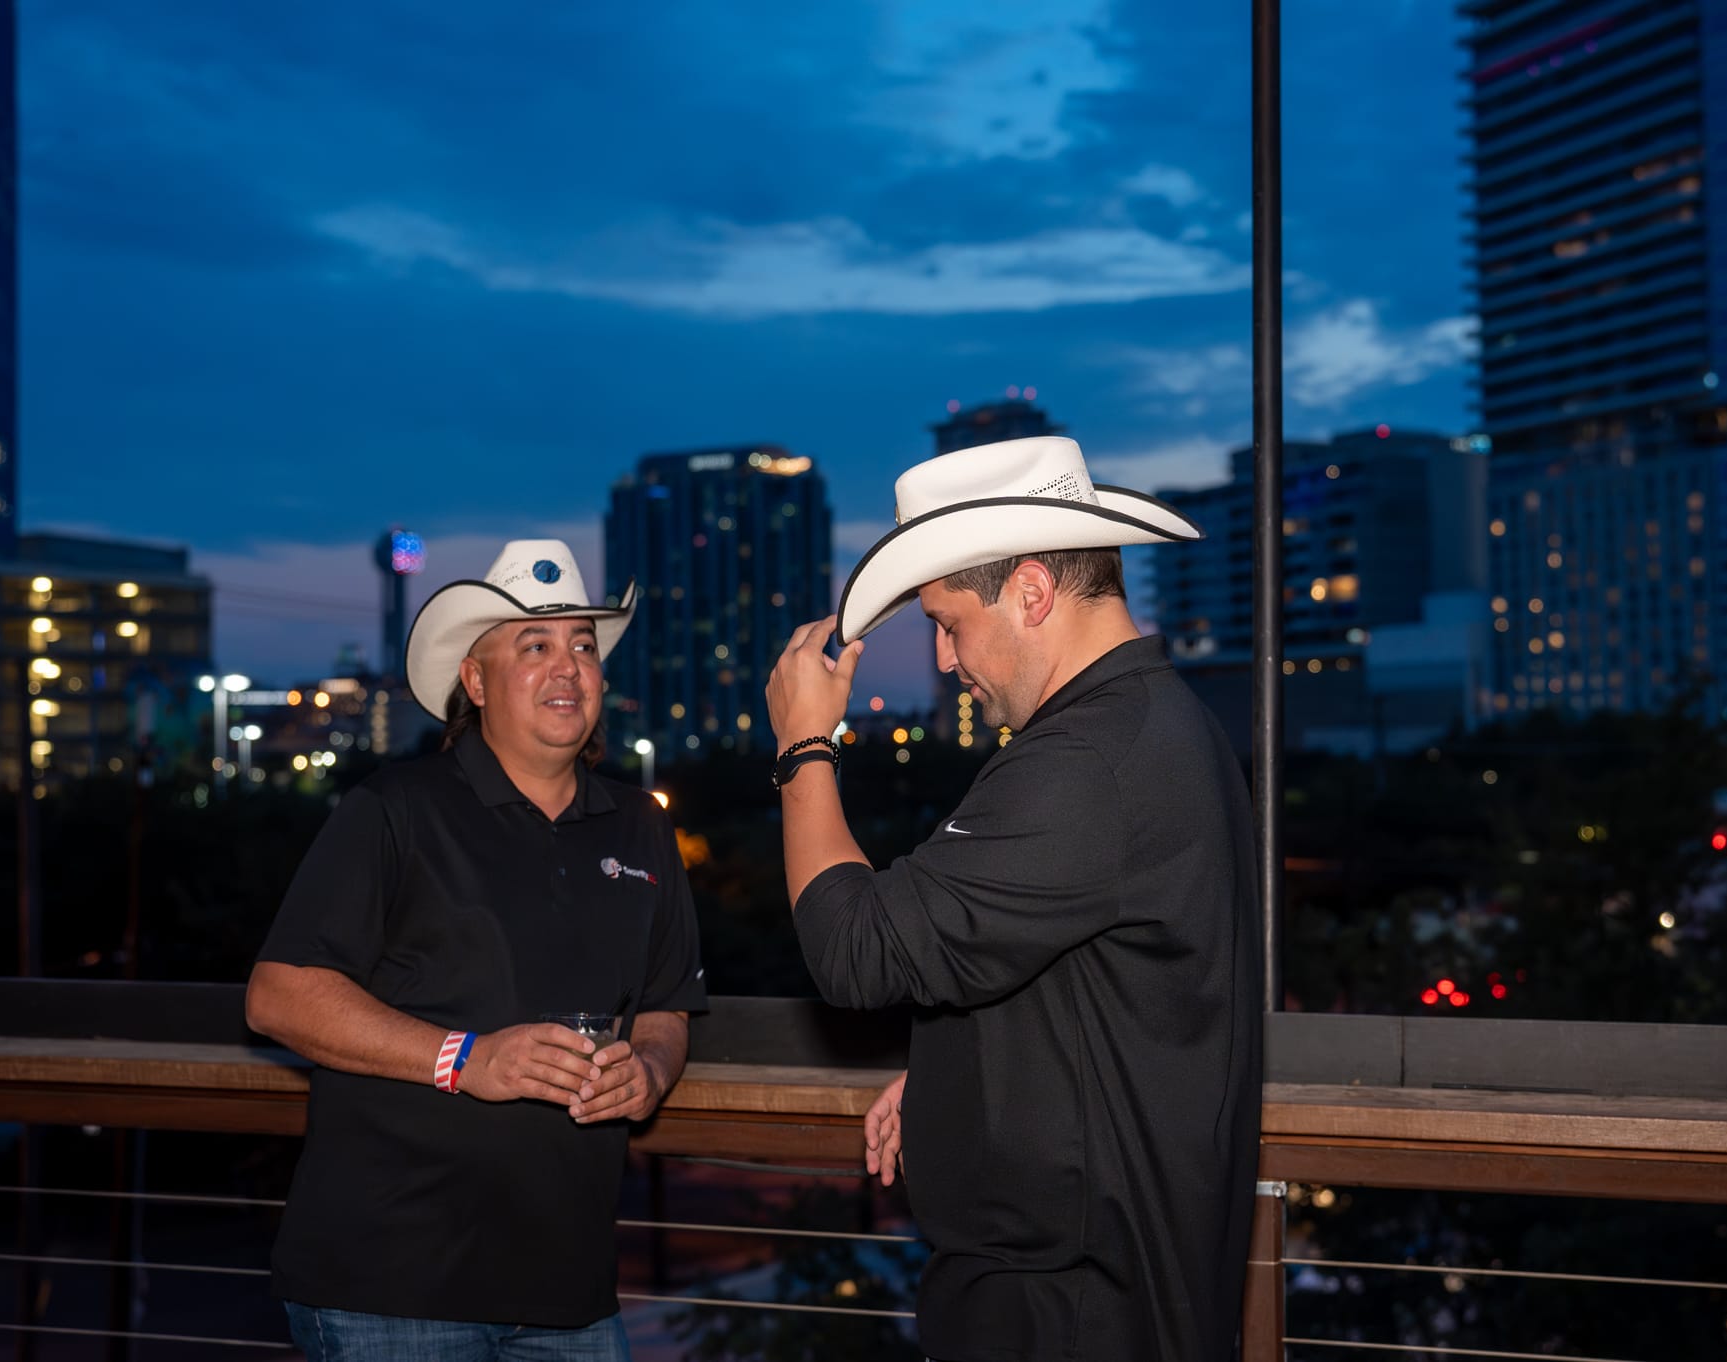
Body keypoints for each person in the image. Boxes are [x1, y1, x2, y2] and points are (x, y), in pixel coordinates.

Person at [764, 436, 1262, 1361]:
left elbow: (856, 949)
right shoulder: (1148, 728)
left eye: (948, 623)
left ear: (1031, 592)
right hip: (1087, 1289)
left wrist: (804, 746)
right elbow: (1095, 983)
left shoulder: (1086, 764)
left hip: (1068, 1308)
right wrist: (961, 1080)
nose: (947, 660)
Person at [246, 539, 707, 1362]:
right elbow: (279, 995)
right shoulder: (395, 808)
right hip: (390, 1289)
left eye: (583, 647)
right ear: (476, 680)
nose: (567, 668)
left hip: (570, 1293)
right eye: (534, 646)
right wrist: (464, 1058)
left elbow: (668, 1004)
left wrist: (650, 1071)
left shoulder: (642, 824)